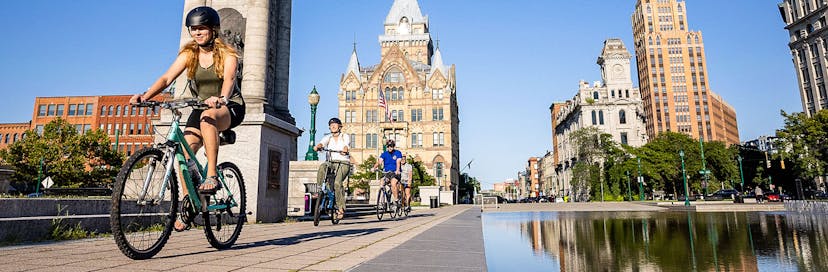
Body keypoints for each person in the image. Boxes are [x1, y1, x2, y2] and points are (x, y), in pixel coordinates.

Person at [129, 6, 245, 231]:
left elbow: (230, 80)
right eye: (193, 29)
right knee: (183, 155)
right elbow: (166, 78)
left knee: (207, 117)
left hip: (228, 107)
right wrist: (146, 96)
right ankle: (190, 202)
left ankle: (212, 174)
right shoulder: (189, 53)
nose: (197, 33)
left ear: (213, 29)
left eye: (201, 28)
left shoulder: (228, 53)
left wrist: (221, 98)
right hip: (200, 107)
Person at [313, 118, 351, 220]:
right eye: (331, 125)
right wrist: (318, 146)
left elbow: (347, 145)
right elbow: (322, 143)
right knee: (323, 166)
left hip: (343, 163)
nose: (333, 126)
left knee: (337, 184)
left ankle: (341, 208)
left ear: (339, 126)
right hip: (331, 162)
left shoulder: (344, 136)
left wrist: (345, 149)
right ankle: (319, 188)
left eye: (335, 124)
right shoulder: (328, 137)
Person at [373, 139, 403, 208]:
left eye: (391, 146)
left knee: (393, 183)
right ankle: (382, 199)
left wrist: (397, 170)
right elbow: (379, 162)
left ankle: (396, 200)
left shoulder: (398, 153)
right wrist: (374, 167)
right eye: (389, 146)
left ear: (394, 146)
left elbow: (398, 162)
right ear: (387, 146)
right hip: (387, 173)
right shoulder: (384, 154)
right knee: (382, 182)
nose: (390, 147)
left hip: (395, 173)